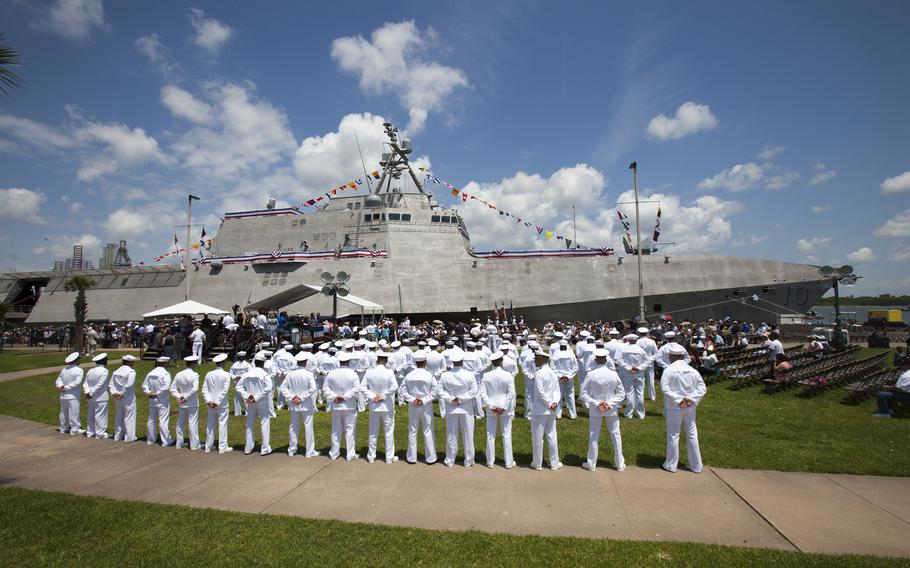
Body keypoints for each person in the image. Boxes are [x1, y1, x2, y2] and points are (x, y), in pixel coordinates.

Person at [661, 343, 708, 473]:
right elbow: (702, 388)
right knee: (692, 434)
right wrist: (690, 399)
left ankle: (671, 464)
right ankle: (696, 465)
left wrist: (679, 399)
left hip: (674, 407)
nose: (669, 358)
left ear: (673, 356)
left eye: (670, 356)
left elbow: (665, 389)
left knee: (673, 434)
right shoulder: (693, 371)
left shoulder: (669, 370)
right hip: (689, 407)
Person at [579, 348, 626, 471]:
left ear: (595, 360)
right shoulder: (613, 374)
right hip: (610, 409)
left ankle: (591, 464)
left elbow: (583, 394)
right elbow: (621, 394)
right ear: (606, 360)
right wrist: (609, 403)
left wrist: (597, 403)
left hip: (596, 409)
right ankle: (620, 464)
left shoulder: (590, 374)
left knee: (594, 435)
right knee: (615, 435)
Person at [438, 351, 477, 468]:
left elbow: (440, 390)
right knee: (468, 435)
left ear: (453, 362)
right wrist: (461, 399)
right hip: (465, 409)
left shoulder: (445, 375)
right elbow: (474, 391)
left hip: (452, 408)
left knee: (451, 435)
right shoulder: (469, 375)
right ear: (462, 361)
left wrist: (451, 399)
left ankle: (450, 460)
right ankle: (469, 460)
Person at [398, 351, 438, 464]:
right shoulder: (429, 375)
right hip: (426, 406)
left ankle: (411, 457)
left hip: (413, 405)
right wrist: (424, 399)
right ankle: (431, 458)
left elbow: (402, 390)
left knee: (412, 430)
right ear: (425, 362)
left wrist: (412, 399)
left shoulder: (409, 375)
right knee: (428, 430)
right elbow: (435, 391)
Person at [480, 352, 516, 469]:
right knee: (506, 435)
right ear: (501, 361)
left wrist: (493, 406)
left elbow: (483, 395)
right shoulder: (508, 375)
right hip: (505, 409)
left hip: (493, 409)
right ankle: (508, 462)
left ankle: (490, 461)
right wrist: (503, 407)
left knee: (490, 434)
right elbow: (511, 394)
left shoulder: (486, 376)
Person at [361, 351, 399, 464]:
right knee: (388, 432)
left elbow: (362, 387)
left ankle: (371, 456)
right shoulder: (389, 372)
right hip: (386, 406)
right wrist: (383, 396)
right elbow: (395, 386)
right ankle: (389, 457)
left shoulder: (369, 372)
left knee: (373, 431)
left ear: (377, 360)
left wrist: (373, 396)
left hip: (374, 405)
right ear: (386, 361)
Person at [280, 351, 320, 457]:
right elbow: (313, 388)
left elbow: (283, 388)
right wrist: (300, 398)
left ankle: (292, 449)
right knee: (308, 427)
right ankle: (309, 451)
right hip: (305, 404)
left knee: (293, 426)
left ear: (297, 363)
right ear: (306, 363)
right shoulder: (308, 374)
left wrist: (292, 397)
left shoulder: (290, 374)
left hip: (294, 404)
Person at [323, 352, 361, 461]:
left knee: (336, 430)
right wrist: (344, 397)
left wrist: (334, 397)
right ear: (349, 362)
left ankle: (334, 453)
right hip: (348, 405)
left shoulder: (331, 373)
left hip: (336, 405)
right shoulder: (353, 374)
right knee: (350, 430)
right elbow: (356, 389)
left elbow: (325, 388)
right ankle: (350, 454)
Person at [529, 350, 563, 471]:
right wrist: (554, 402)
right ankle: (554, 462)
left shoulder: (539, 373)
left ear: (544, 359)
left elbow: (539, 392)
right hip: (551, 409)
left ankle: (537, 463)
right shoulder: (553, 373)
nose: (535, 361)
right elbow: (557, 391)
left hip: (540, 409)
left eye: (537, 359)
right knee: (551, 436)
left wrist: (549, 403)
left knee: (538, 437)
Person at [237, 352, 274, 455]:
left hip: (250, 401)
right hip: (261, 401)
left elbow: (238, 387)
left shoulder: (246, 374)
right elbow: (269, 388)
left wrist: (248, 395)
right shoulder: (264, 374)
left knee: (249, 424)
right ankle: (265, 448)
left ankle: (248, 447)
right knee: (264, 423)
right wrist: (256, 397)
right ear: (263, 363)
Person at [202, 353, 232, 454]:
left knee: (210, 424)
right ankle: (222, 446)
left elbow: (204, 390)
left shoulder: (209, 374)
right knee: (222, 423)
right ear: (223, 363)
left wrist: (209, 401)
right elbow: (225, 390)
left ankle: (208, 446)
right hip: (221, 403)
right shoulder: (226, 375)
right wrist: (217, 402)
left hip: (211, 403)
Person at [615, 334, 651, 419]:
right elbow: (647, 361)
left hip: (628, 373)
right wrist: (639, 368)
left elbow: (618, 360)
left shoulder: (624, 349)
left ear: (629, 340)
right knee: (640, 392)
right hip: (639, 374)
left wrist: (628, 367)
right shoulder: (641, 350)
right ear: (636, 340)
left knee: (629, 393)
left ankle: (629, 413)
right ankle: (640, 413)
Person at [170, 355, 201, 450]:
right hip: (191, 402)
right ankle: (194, 445)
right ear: (193, 364)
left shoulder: (179, 374)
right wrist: (185, 397)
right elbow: (195, 389)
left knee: (180, 423)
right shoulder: (195, 375)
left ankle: (179, 443)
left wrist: (180, 396)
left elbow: (172, 389)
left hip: (182, 402)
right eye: (195, 363)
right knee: (192, 423)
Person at [143, 356, 173, 446]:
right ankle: (166, 440)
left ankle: (151, 439)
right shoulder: (165, 373)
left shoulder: (150, 373)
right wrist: (157, 393)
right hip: (162, 399)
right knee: (163, 420)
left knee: (151, 419)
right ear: (165, 363)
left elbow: (144, 385)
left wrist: (148, 392)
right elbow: (166, 387)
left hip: (152, 399)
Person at [109, 354, 138, 442]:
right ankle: (129, 437)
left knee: (119, 415)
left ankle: (118, 435)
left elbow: (111, 384)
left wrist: (114, 393)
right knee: (129, 416)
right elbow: (129, 384)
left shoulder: (116, 371)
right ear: (129, 362)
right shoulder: (131, 372)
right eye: (132, 361)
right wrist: (122, 393)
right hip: (127, 397)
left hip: (117, 397)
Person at [55, 352, 84, 435]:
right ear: (75, 360)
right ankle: (75, 429)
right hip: (73, 395)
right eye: (79, 359)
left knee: (63, 412)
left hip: (63, 395)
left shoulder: (64, 369)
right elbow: (77, 382)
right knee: (74, 412)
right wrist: (66, 388)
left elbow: (58, 380)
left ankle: (63, 428)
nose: (79, 361)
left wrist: (61, 386)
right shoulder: (79, 370)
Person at [83, 353, 111, 439]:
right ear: (103, 361)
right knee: (100, 415)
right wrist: (90, 393)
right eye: (106, 359)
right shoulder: (104, 371)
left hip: (91, 397)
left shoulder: (90, 370)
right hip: (101, 396)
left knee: (91, 414)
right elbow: (100, 384)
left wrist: (87, 392)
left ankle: (90, 432)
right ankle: (100, 433)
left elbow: (85, 383)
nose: (107, 361)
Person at [551, 340, 579, 420]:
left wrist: (560, 376)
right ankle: (573, 414)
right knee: (570, 395)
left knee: (558, 395)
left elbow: (552, 367)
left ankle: (558, 414)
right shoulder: (571, 353)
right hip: (569, 377)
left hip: (559, 377)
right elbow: (575, 367)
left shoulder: (556, 354)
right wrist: (568, 376)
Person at [637, 328, 659, 401]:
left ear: (639, 333)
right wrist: (650, 359)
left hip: (641, 363)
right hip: (649, 363)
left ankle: (641, 396)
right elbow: (656, 353)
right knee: (651, 380)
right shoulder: (652, 341)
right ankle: (652, 397)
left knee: (641, 380)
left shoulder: (637, 341)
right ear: (646, 333)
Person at [229, 351, 250, 417]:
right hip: (237, 382)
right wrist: (235, 377)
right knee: (237, 398)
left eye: (242, 356)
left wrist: (243, 377)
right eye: (240, 357)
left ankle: (248, 412)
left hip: (245, 383)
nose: (241, 357)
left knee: (246, 397)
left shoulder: (247, 364)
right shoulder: (234, 365)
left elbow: (250, 372)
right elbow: (231, 373)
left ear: (244, 357)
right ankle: (237, 413)